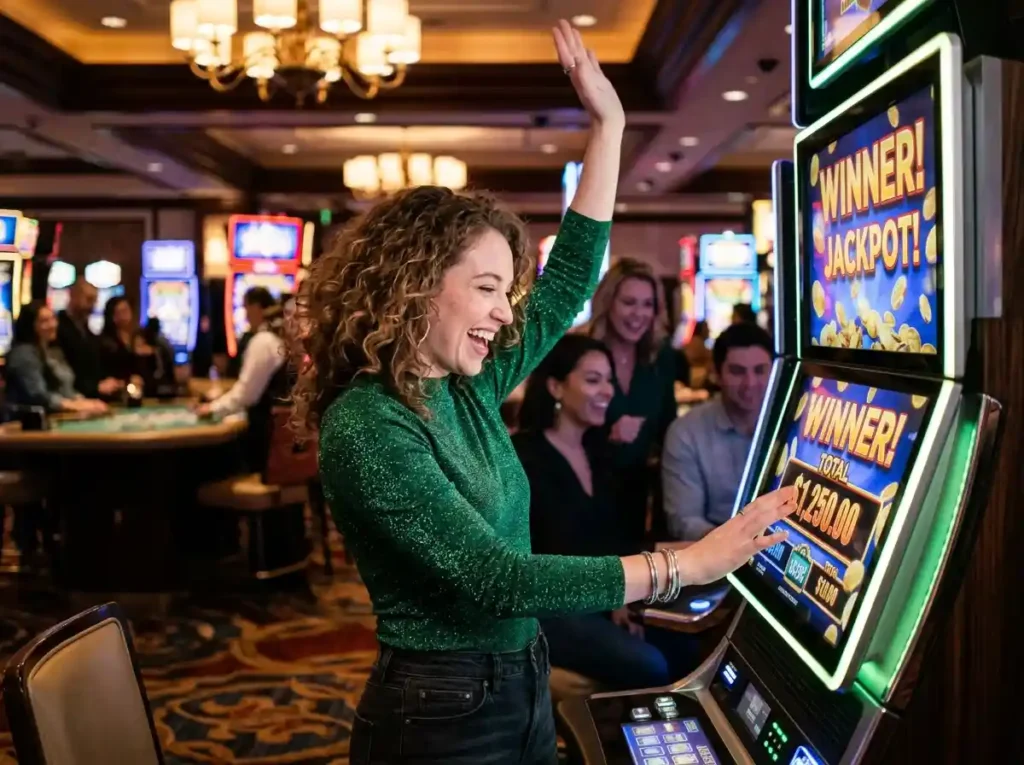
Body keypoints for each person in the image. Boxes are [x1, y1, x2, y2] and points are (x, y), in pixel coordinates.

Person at [293, 21, 794, 765]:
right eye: (487, 288)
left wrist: (609, 126)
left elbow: (568, 282)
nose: (505, 312)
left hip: (519, 673)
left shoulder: (466, 385)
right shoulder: (367, 423)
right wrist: (683, 566)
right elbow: (497, 579)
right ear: (415, 287)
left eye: (507, 291)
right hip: (440, 707)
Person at [515, 334, 699, 690]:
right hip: (548, 605)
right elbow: (551, 552)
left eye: (609, 380)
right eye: (592, 380)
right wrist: (614, 590)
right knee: (649, 664)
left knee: (686, 649)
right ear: (555, 386)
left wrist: (621, 594)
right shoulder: (525, 457)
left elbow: (615, 540)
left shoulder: (599, 453)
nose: (607, 391)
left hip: (602, 594)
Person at [583, 257, 680, 546]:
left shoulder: (660, 358)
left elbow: (668, 428)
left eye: (647, 304)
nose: (638, 314)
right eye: (628, 302)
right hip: (581, 492)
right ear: (608, 302)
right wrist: (608, 438)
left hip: (637, 498)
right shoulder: (582, 353)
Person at [662, 322, 773, 541]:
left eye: (760, 370)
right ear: (717, 373)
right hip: (717, 548)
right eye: (737, 371)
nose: (750, 383)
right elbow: (685, 521)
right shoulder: (686, 432)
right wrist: (741, 544)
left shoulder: (798, 423)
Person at [195, 287, 287, 472]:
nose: (244, 315)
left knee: (202, 464)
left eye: (245, 308)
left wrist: (213, 408)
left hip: (261, 449)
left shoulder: (264, 341)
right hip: (274, 443)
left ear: (257, 308)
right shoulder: (275, 338)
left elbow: (247, 395)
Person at [6, 301, 107, 415]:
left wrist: (82, 401)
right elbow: (38, 395)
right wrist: (72, 405)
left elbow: (65, 389)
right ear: (30, 325)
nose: (52, 324)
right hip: (27, 421)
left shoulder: (53, 351)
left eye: (53, 318)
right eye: (44, 321)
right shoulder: (23, 354)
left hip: (57, 415)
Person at [56, 278, 122, 399]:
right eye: (89, 299)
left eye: (94, 301)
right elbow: (62, 371)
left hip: (90, 398)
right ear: (73, 296)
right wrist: (94, 387)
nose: (92, 306)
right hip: (70, 398)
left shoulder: (86, 330)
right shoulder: (58, 328)